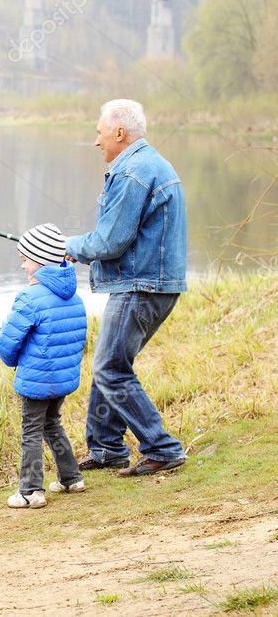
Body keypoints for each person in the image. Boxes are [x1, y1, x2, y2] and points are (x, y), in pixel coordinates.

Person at [65, 99, 187, 477]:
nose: (96, 141)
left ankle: (162, 448)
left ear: (119, 132)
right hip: (152, 283)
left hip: (142, 285)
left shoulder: (133, 171)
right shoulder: (148, 164)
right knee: (111, 364)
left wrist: (65, 246)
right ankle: (105, 448)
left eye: (100, 132)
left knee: (110, 368)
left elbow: (110, 242)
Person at [0, 224, 88, 509]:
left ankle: (30, 491)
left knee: (32, 431)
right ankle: (71, 477)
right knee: (52, 424)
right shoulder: (75, 297)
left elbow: (8, 343)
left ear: (39, 260)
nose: (22, 264)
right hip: (62, 379)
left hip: (37, 381)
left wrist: (10, 359)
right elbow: (74, 340)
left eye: (24, 258)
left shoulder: (28, 298)